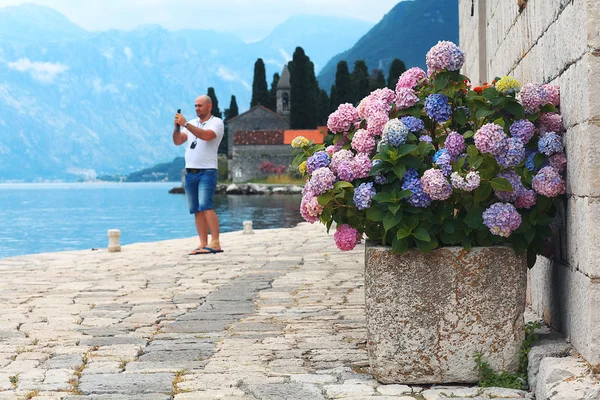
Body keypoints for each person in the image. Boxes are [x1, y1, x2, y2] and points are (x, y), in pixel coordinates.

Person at [173, 95, 225, 255]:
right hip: (190, 172)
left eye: (200, 106)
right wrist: (177, 127)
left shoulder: (217, 122)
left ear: (209, 106)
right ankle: (203, 243)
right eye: (195, 106)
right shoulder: (192, 124)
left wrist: (186, 124)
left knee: (206, 206)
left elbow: (206, 136)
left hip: (207, 171)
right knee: (196, 209)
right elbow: (178, 140)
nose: (197, 109)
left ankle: (215, 242)